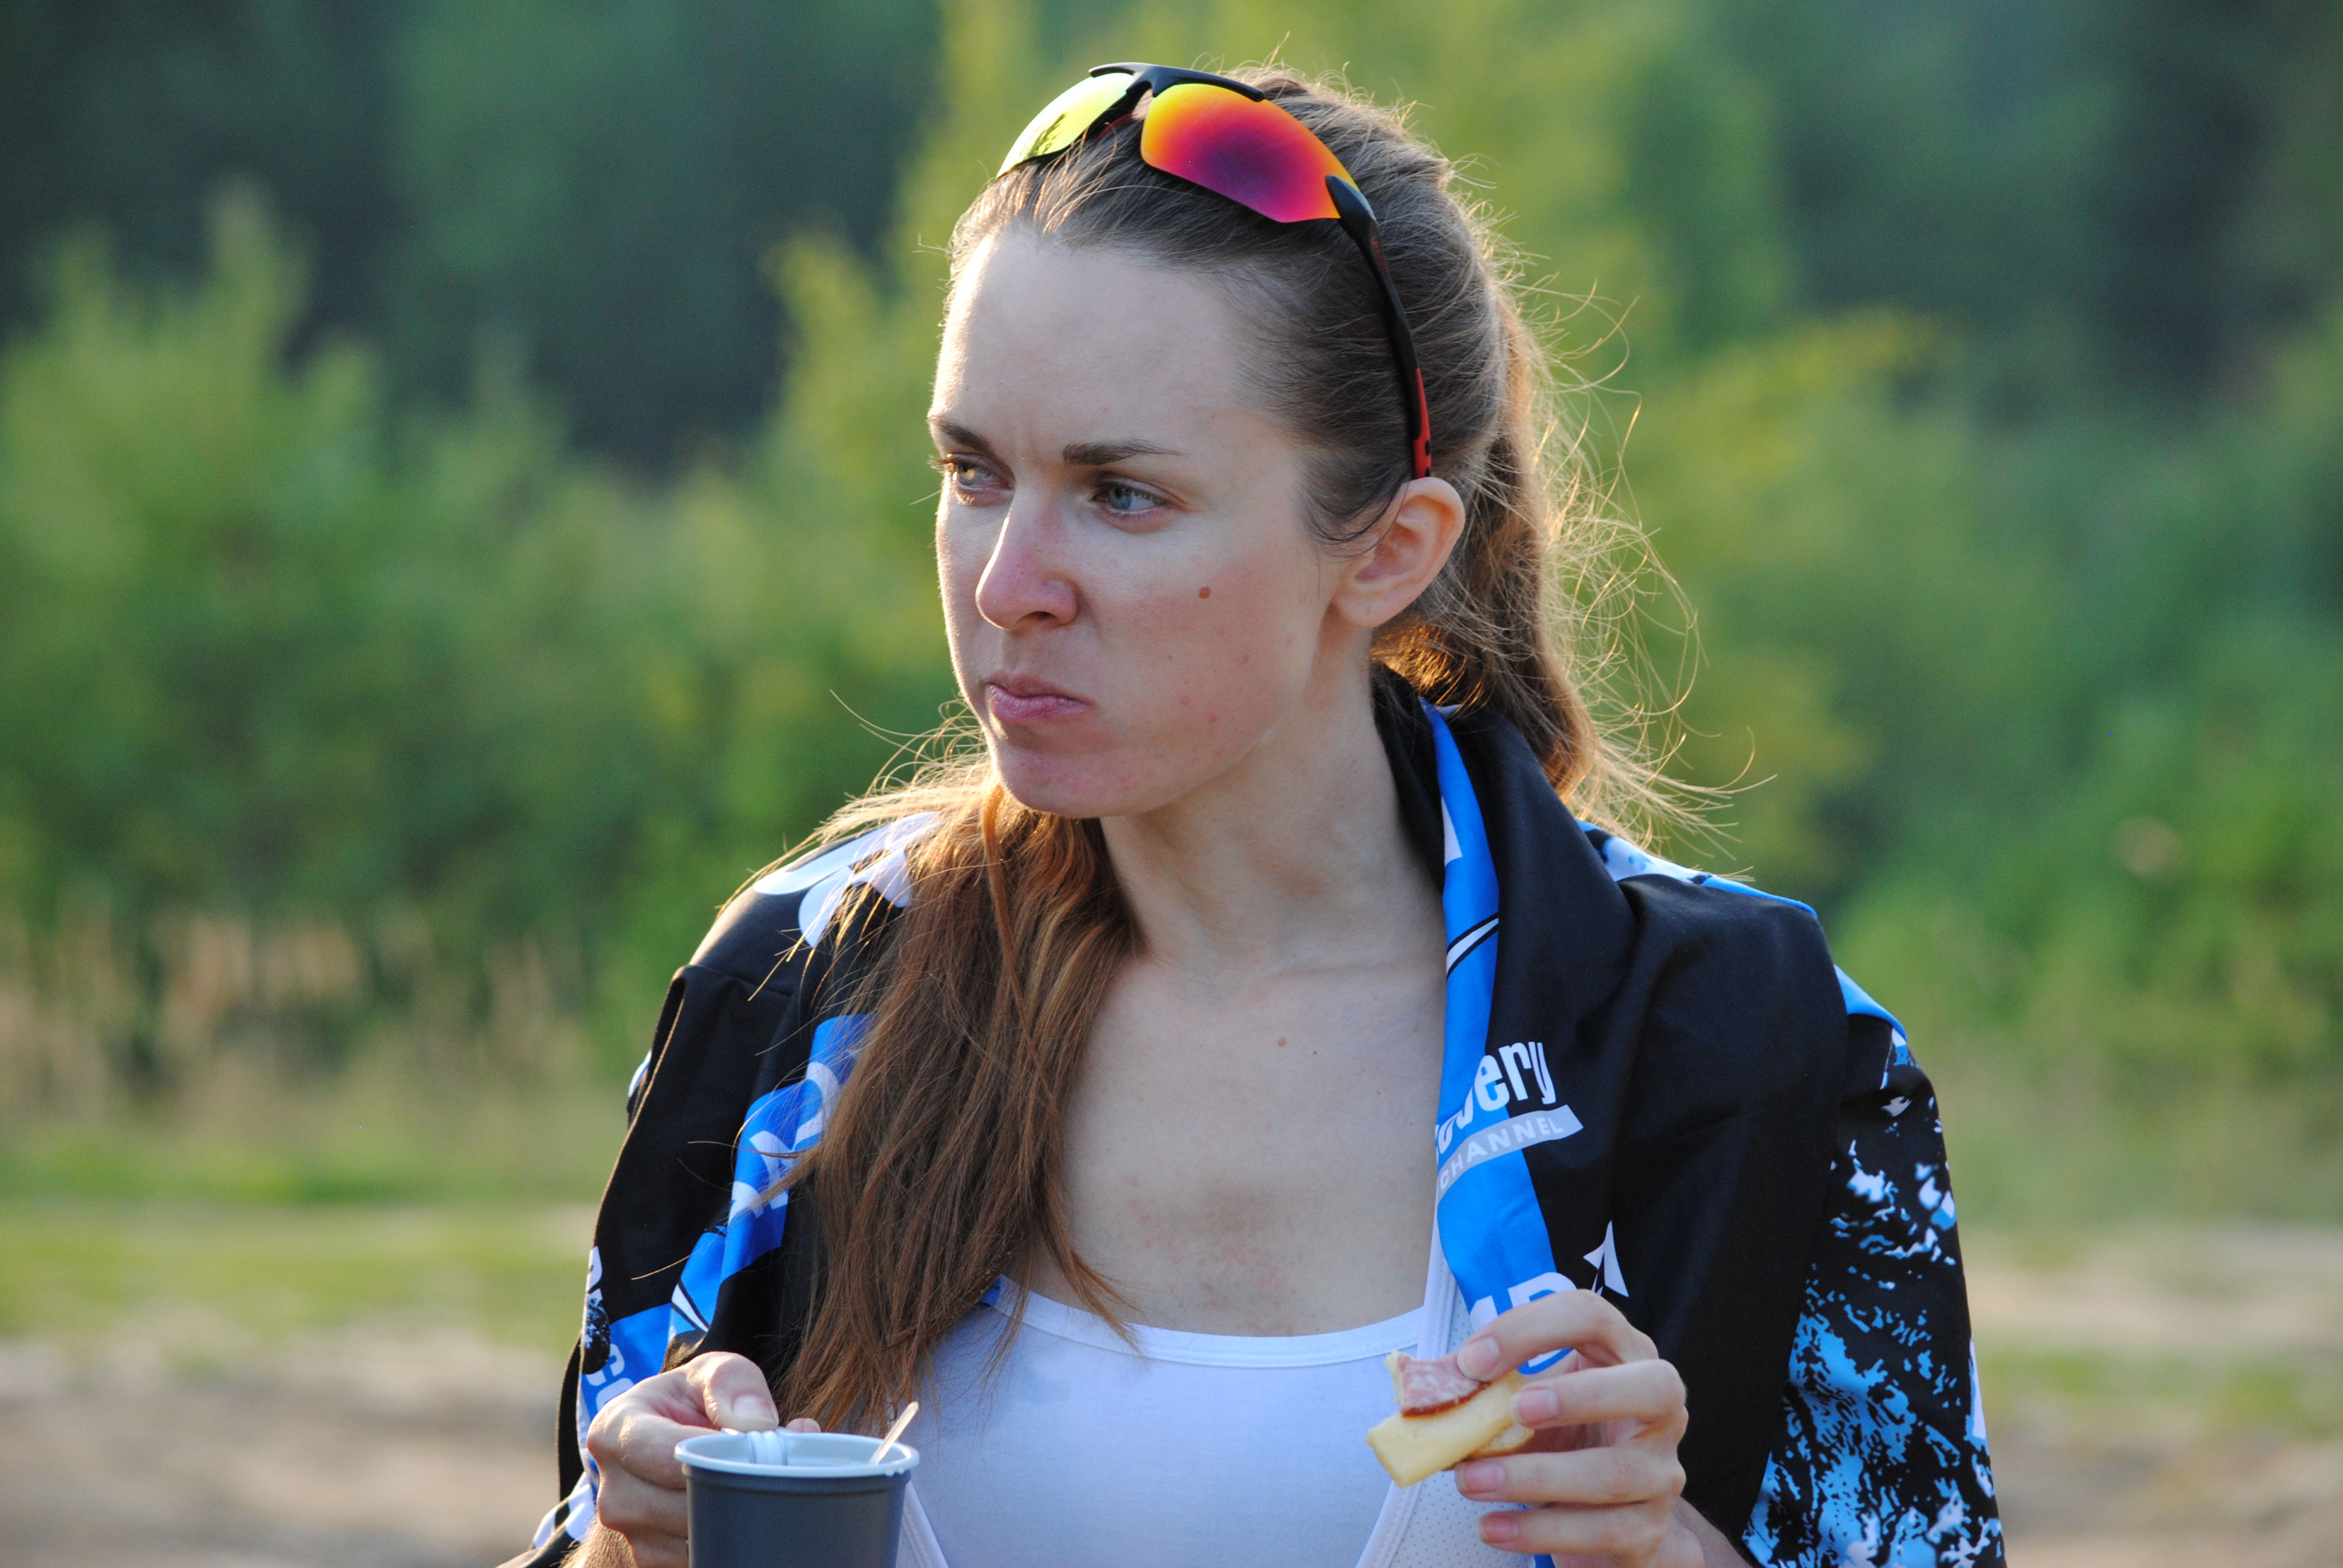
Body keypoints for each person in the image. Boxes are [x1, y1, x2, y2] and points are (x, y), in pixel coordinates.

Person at [503, 63, 2001, 1568]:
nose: (1007, 583)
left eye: (1121, 494)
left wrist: (1668, 1553)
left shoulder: (1739, 1046)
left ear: (1391, 551)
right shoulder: (797, 994)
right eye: (972, 471)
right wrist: (631, 1549)